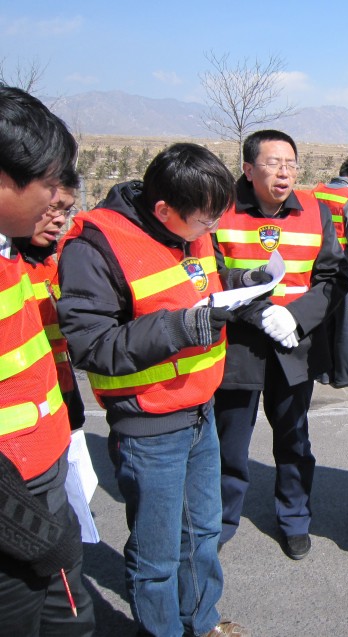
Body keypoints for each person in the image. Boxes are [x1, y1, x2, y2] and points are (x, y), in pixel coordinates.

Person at [57, 143, 259, 637]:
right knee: (157, 556)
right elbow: (91, 344)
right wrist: (182, 327)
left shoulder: (191, 227)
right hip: (149, 425)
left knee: (203, 533)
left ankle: (202, 623)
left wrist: (246, 281)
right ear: (165, 209)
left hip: (200, 411)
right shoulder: (96, 247)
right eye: (205, 220)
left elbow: (202, 281)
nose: (210, 230)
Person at [213, 130, 348, 559]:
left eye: (290, 164)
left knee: (293, 440)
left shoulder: (315, 210)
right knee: (230, 443)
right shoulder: (220, 210)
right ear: (248, 169)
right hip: (237, 348)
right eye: (273, 163)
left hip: (294, 347)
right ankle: (221, 520)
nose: (284, 172)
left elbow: (334, 277)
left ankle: (294, 518)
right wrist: (257, 313)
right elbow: (208, 275)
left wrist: (296, 316)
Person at [0, 85, 94, 636]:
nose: (54, 204)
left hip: (44, 471)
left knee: (69, 619)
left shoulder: (11, 249)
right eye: (48, 185)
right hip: (17, 503)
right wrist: (31, 530)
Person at [13, 166, 85, 430]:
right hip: (21, 415)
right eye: (52, 208)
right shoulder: (10, 268)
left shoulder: (49, 265)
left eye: (66, 210)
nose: (60, 220)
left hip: (61, 398)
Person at [312, 155, 348, 387]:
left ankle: (324, 373)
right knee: (347, 325)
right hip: (344, 271)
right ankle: (346, 375)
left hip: (318, 270)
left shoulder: (316, 193)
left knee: (325, 322)